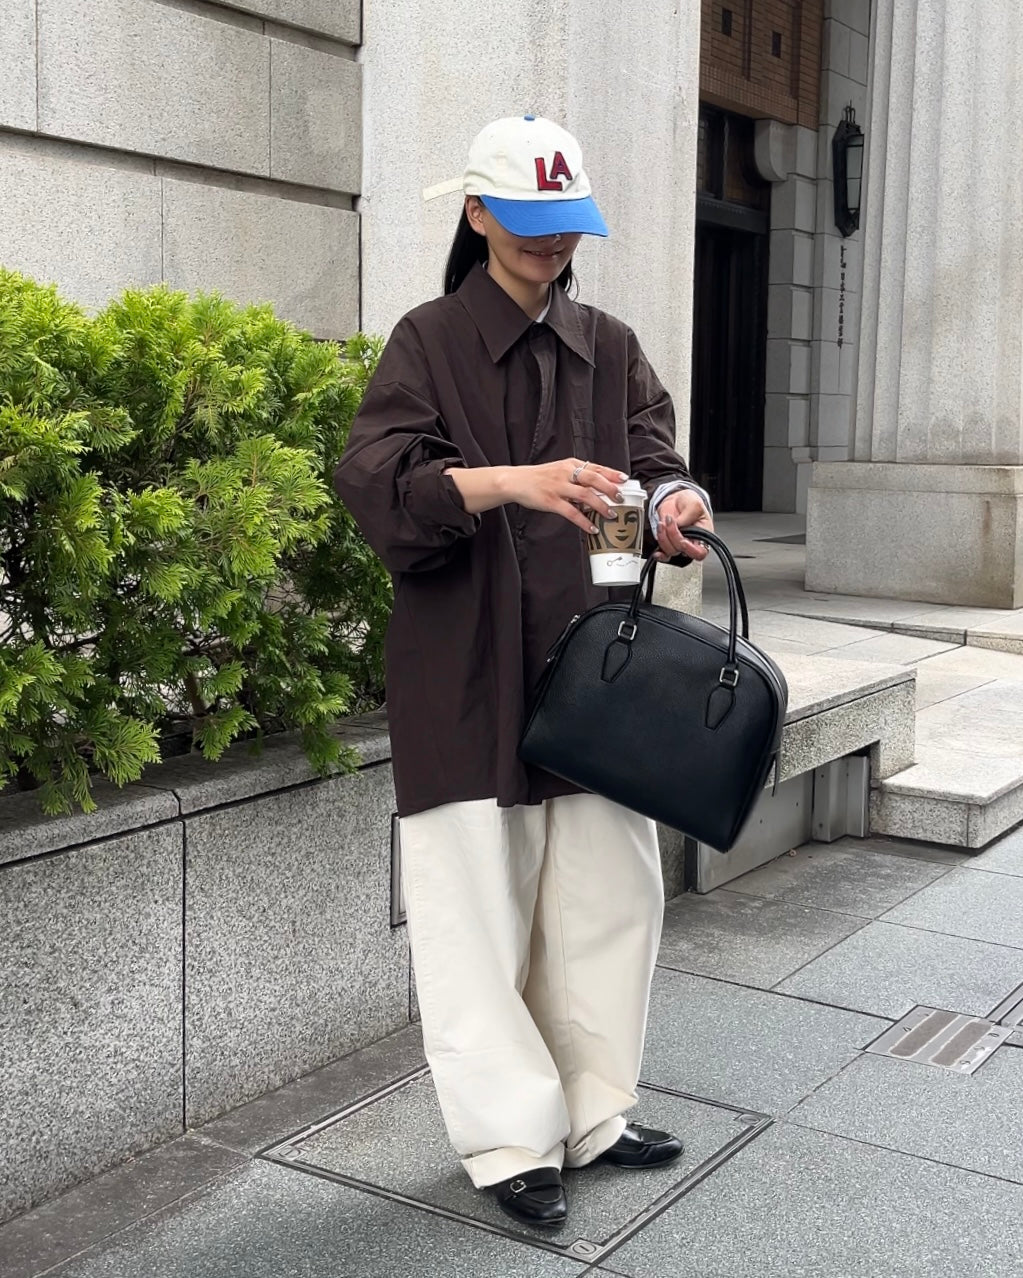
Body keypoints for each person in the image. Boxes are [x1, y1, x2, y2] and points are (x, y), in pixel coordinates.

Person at [334, 115, 714, 1230]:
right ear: (477, 213)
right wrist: (514, 481)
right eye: (529, 222)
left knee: (608, 901)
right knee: (475, 915)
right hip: (465, 669)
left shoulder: (611, 343)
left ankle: (596, 1112)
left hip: (599, 676)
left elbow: (656, 461)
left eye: (566, 224)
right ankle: (510, 1141)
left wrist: (677, 505)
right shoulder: (427, 340)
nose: (551, 244)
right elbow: (378, 482)